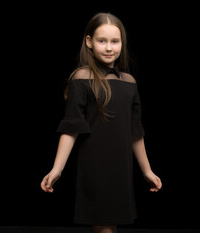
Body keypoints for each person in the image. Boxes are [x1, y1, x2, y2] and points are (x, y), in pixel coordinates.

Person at [40, 12, 162, 233]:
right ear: (89, 42)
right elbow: (71, 128)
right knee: (104, 227)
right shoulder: (82, 78)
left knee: (110, 226)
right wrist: (57, 168)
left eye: (114, 41)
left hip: (121, 167)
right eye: (102, 40)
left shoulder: (129, 82)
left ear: (121, 43)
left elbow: (135, 131)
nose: (109, 47)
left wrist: (147, 171)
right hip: (95, 165)